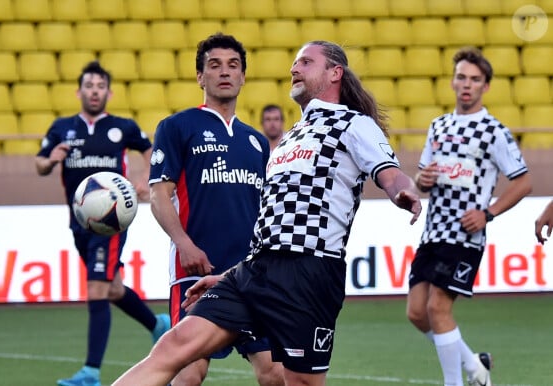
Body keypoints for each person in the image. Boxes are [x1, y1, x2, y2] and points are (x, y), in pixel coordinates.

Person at [112, 40, 421, 386]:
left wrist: (401, 191)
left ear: (335, 73)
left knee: (292, 381)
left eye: (305, 62)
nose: (293, 69)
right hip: (253, 272)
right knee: (173, 348)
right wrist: (234, 274)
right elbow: (271, 221)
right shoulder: (289, 139)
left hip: (308, 271)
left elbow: (390, 172)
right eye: (294, 63)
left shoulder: (353, 124)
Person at [148, 33, 283, 386]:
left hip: (250, 276)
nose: (224, 72)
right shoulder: (177, 127)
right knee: (191, 370)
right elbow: (159, 195)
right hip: (196, 272)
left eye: (233, 65)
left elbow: (268, 209)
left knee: (276, 373)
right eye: (214, 65)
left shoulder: (256, 142)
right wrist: (184, 243)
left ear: (243, 77)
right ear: (200, 77)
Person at [35, 61, 171, 386]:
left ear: (108, 92)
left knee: (96, 289)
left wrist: (144, 180)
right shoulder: (62, 128)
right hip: (79, 222)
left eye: (100, 87)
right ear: (79, 91)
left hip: (111, 220)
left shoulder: (122, 127)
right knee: (112, 289)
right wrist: (49, 159)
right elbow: (39, 162)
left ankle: (90, 373)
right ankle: (158, 325)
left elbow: (150, 150)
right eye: (89, 86)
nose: (94, 91)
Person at [406, 47, 532, 386]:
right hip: (433, 232)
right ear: (452, 82)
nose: (467, 84)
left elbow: (523, 182)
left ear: (485, 87)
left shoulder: (494, 131)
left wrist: (488, 213)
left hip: (465, 234)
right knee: (416, 313)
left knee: (438, 308)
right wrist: (422, 181)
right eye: (462, 77)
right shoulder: (438, 126)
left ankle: (457, 382)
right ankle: (475, 365)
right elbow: (422, 181)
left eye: (475, 80)